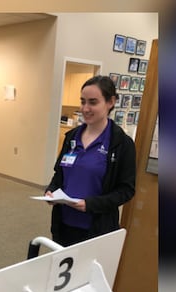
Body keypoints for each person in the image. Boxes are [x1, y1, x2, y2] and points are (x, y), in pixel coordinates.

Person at [45, 75, 137, 247]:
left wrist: (91, 204)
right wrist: (51, 191)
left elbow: (126, 190)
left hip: (96, 228)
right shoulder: (72, 137)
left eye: (93, 102)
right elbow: (60, 175)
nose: (85, 108)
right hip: (63, 224)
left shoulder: (121, 144)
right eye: (83, 101)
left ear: (111, 102)